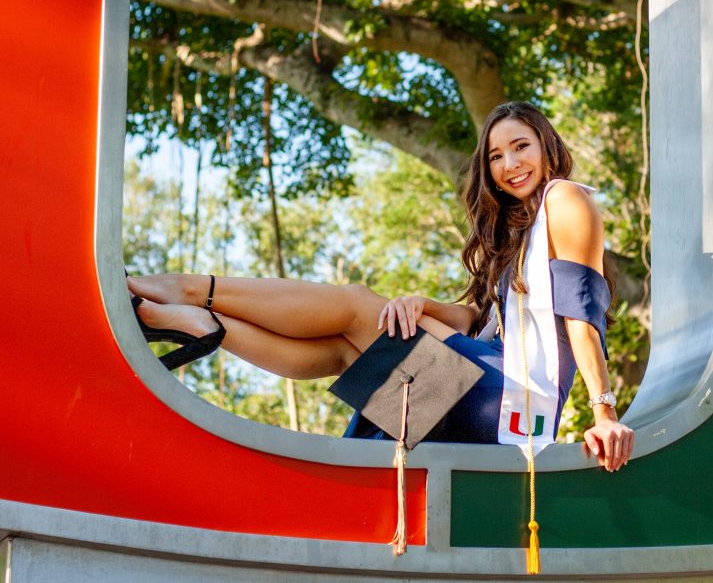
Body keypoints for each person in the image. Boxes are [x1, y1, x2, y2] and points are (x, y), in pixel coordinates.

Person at [128, 101, 634, 471]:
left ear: (546, 146)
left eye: (520, 146)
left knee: (355, 305)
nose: (510, 165)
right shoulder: (516, 231)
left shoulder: (566, 200)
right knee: (345, 352)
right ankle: (205, 326)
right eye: (497, 156)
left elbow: (580, 313)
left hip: (508, 409)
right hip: (485, 395)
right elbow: (479, 323)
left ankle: (189, 290)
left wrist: (604, 411)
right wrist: (426, 304)